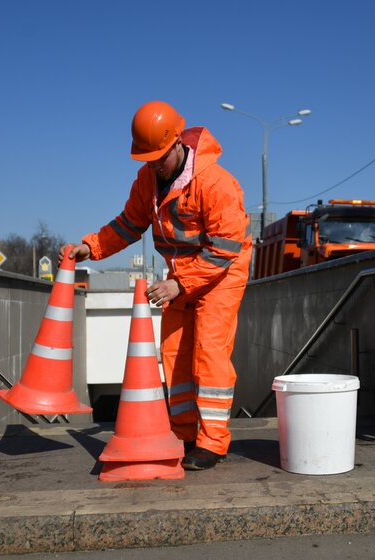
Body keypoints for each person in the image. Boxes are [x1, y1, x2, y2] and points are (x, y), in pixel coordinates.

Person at [61, 100, 252, 471]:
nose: (153, 166)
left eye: (158, 158)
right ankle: (183, 434)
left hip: (222, 275)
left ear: (178, 142)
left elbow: (226, 248)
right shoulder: (148, 179)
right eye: (147, 159)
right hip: (183, 276)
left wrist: (179, 283)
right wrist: (91, 247)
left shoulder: (216, 183)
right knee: (175, 352)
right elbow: (129, 224)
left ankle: (212, 443)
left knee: (209, 353)